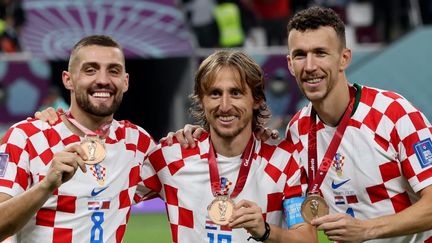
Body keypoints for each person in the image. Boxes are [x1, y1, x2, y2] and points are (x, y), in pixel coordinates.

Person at [283, 6, 432, 242]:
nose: (310, 66)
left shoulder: (393, 113)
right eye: (300, 55)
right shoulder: (296, 130)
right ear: (290, 64)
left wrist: (366, 230)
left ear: (344, 58)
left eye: (321, 53)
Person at [140, 50, 316, 242]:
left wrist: (265, 231)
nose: (224, 105)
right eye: (215, 93)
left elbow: (307, 238)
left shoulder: (284, 159)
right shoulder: (170, 157)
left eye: (236, 93)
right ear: (201, 100)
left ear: (256, 99)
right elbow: (109, 192)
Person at [0, 35, 156, 242]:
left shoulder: (137, 142)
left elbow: (191, 179)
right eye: (90, 70)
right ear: (68, 79)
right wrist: (46, 186)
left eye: (114, 71)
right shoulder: (27, 136)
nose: (103, 80)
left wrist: (189, 134)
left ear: (125, 82)